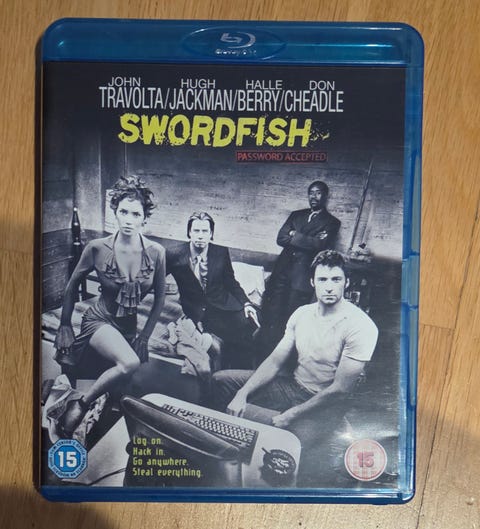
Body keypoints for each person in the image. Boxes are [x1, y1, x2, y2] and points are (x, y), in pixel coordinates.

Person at [212, 250, 378, 464]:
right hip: (292, 386)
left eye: (336, 279)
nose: (329, 286)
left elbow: (340, 389)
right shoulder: (302, 314)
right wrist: (241, 394)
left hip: (325, 404)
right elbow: (275, 361)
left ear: (346, 283)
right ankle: (223, 453)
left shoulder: (361, 325)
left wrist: (291, 414)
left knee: (289, 445)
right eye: (322, 279)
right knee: (221, 382)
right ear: (312, 282)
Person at [54, 176, 166, 437]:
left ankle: (97, 432)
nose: (128, 219)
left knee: (118, 397)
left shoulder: (157, 252)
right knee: (129, 363)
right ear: (115, 212)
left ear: (144, 219)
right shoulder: (96, 248)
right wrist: (64, 324)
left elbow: (160, 298)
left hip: (129, 327)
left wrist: (145, 336)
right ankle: (79, 404)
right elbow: (72, 285)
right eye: (123, 212)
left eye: (135, 214)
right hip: (99, 320)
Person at [166, 212, 259, 368]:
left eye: (205, 231)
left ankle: (239, 374)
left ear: (211, 234)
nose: (200, 236)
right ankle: (224, 371)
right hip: (198, 311)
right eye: (196, 231)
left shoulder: (220, 252)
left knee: (247, 327)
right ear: (189, 232)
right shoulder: (174, 254)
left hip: (225, 304)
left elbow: (231, 282)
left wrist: (246, 303)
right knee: (222, 339)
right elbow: (156, 278)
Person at [260, 181, 341, 350]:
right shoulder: (296, 215)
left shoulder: (332, 222)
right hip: (281, 271)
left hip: (301, 277)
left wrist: (294, 234)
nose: (314, 197)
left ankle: (284, 354)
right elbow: (281, 238)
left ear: (326, 196)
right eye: (311, 193)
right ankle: (265, 351)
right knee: (272, 314)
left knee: (292, 317)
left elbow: (320, 245)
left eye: (318, 193)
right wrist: (308, 239)